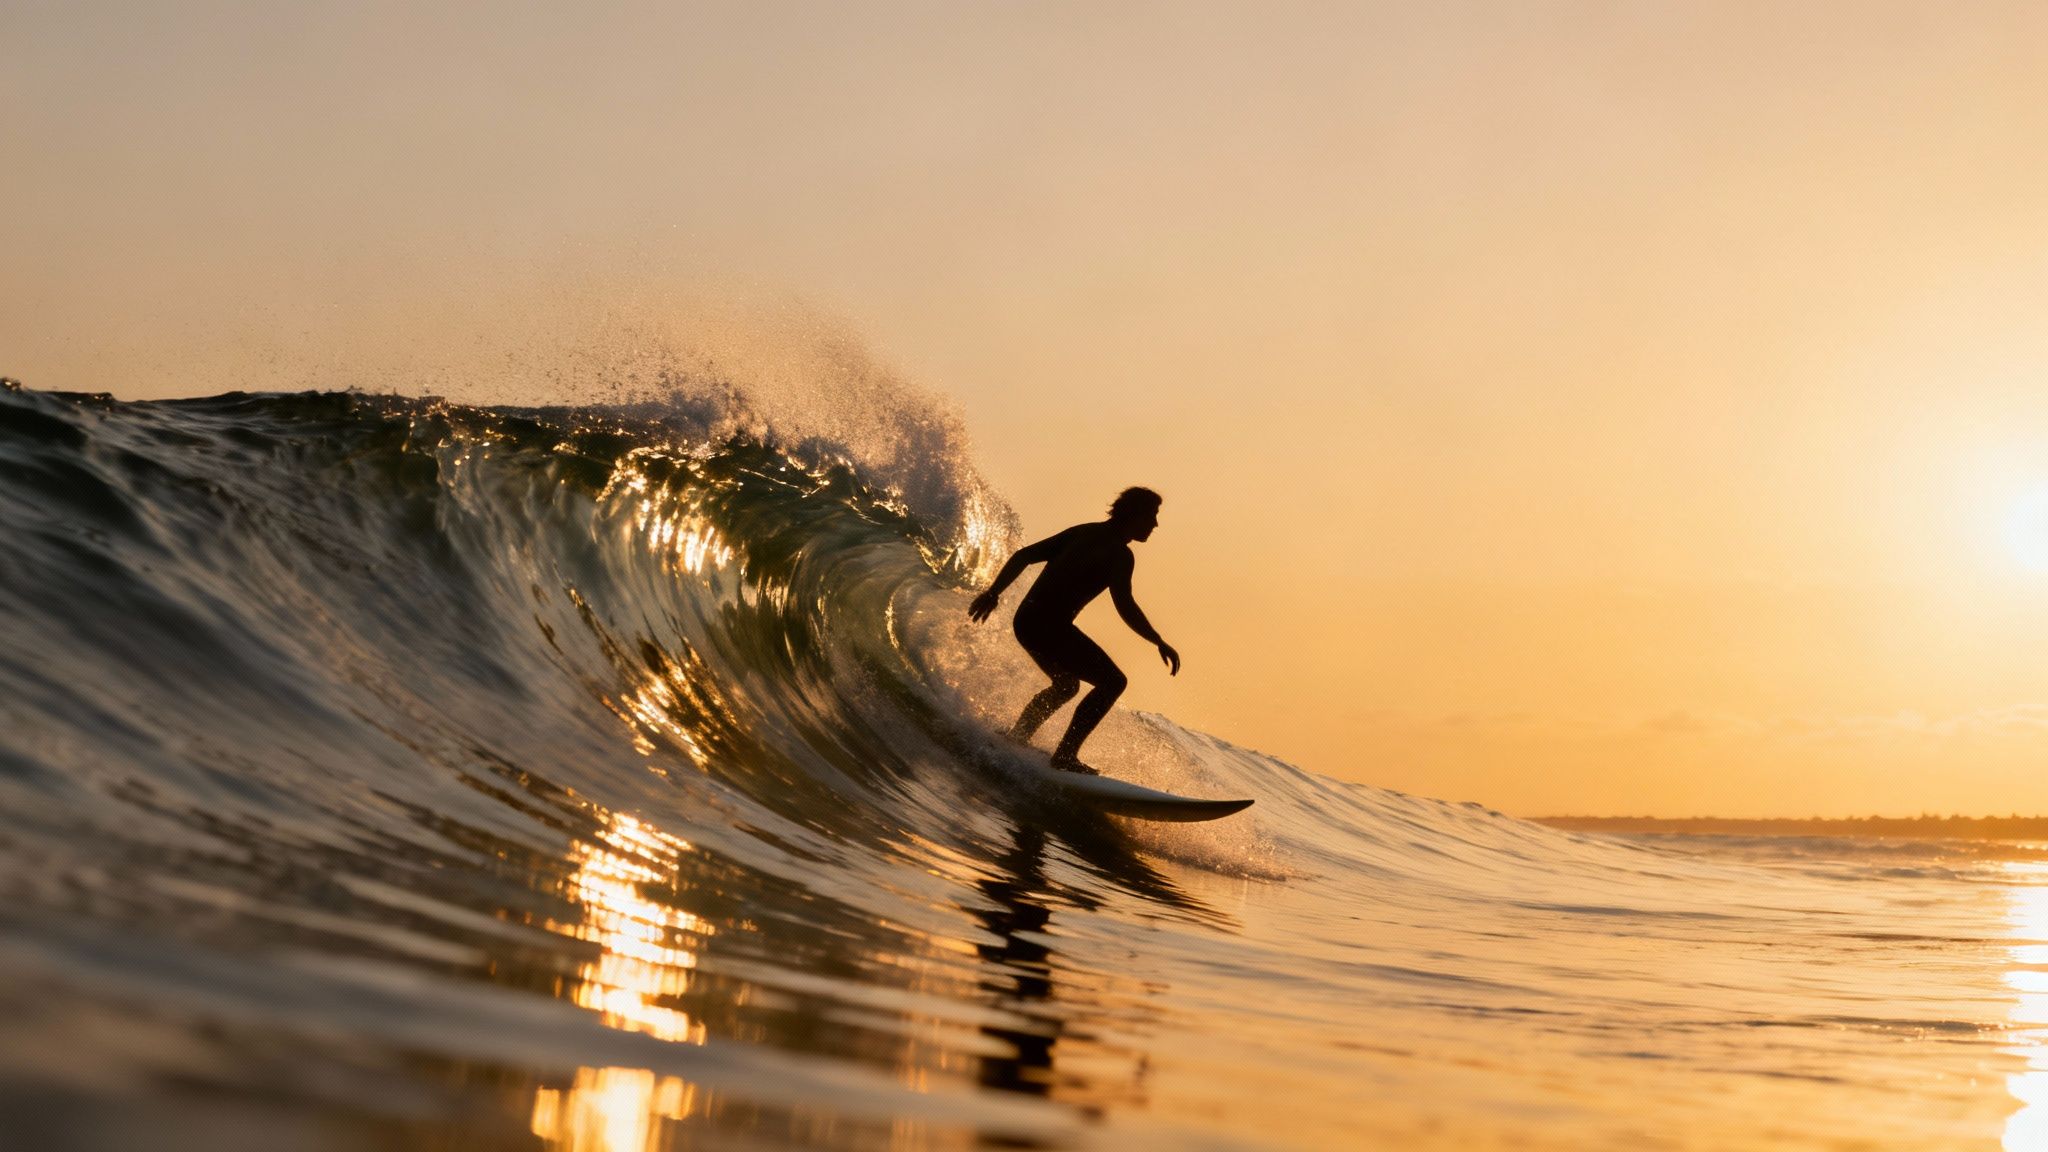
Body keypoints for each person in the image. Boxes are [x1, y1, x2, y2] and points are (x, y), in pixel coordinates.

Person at [967, 487, 1181, 774]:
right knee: (1113, 682)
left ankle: (1017, 737)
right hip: (1050, 626)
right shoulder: (1119, 554)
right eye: (1151, 516)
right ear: (1134, 515)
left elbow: (1023, 556)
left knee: (1066, 686)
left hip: (1027, 621)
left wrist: (994, 593)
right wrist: (1158, 640)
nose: (1155, 524)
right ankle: (1065, 755)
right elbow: (1125, 605)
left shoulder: (1083, 531)